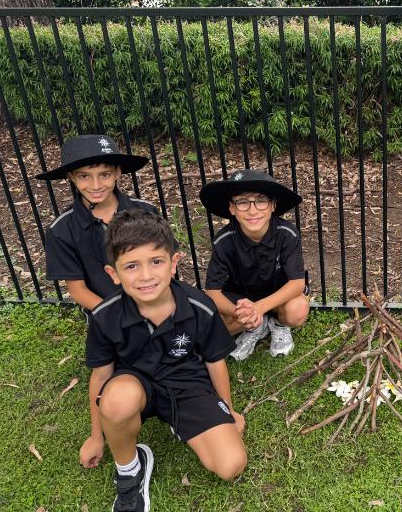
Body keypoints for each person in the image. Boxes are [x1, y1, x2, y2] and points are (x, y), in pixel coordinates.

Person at [80, 209, 246, 512]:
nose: (145, 276)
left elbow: (214, 362)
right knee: (118, 399)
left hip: (186, 384)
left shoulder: (199, 306)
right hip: (134, 385)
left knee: (230, 464)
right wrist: (96, 437)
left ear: (173, 264)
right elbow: (101, 378)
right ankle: (130, 470)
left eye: (156, 261)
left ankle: (179, 420)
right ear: (113, 274)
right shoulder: (105, 316)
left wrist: (228, 410)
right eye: (131, 266)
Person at [36, 134, 158, 314]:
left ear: (117, 172)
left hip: (157, 303)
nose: (95, 185)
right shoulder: (61, 230)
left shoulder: (146, 212)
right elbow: (78, 290)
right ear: (71, 177)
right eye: (84, 176)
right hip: (109, 314)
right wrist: (117, 316)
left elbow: (164, 263)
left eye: (105, 175)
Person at [201, 169, 309, 360]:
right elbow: (212, 291)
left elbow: (297, 283)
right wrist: (242, 312)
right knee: (214, 322)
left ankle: (277, 323)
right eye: (242, 202)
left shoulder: (287, 234)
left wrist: (259, 307)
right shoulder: (224, 240)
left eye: (260, 200)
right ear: (232, 208)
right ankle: (256, 325)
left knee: (298, 310)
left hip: (278, 296)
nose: (252, 210)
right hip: (241, 299)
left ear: (273, 205)